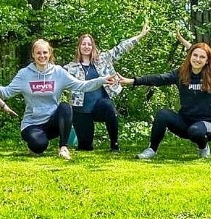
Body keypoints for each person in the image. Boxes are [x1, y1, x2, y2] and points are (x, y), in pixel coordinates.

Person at [0, 39, 115, 160]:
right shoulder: (24, 74)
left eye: (45, 52)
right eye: (38, 53)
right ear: (33, 55)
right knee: (39, 146)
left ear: (50, 54)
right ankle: (36, 142)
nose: (42, 56)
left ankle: (63, 147)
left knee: (65, 107)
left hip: (53, 123)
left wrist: (102, 80)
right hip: (32, 124)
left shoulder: (58, 73)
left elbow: (82, 85)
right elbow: (5, 93)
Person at [64, 22, 150, 152]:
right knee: (85, 147)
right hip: (81, 110)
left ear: (93, 46)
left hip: (100, 106)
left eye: (89, 44)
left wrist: (140, 36)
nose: (86, 47)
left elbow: (120, 48)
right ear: (79, 47)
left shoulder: (102, 59)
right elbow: (54, 75)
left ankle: (114, 144)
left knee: (109, 106)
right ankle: (82, 141)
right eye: (83, 44)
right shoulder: (70, 67)